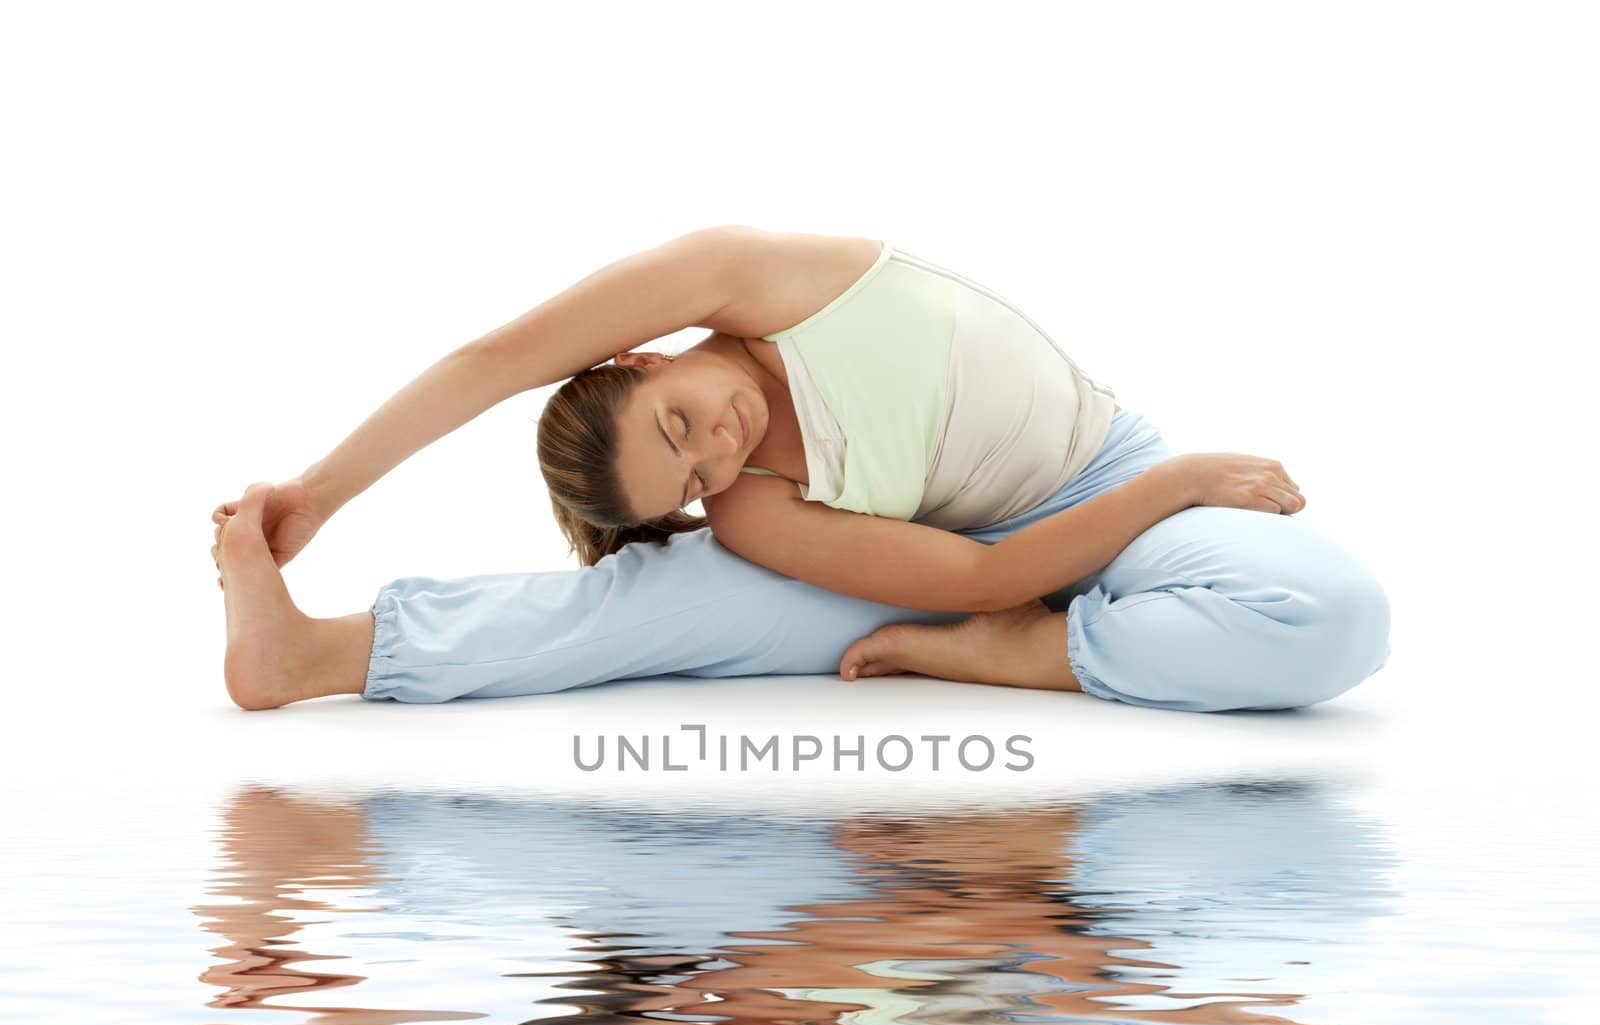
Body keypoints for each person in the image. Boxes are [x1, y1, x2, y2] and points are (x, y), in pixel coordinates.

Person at [212, 228, 1390, 711]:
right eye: (688, 483)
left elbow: (501, 357)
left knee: (1334, 620)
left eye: (679, 424)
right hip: (985, 561)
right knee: (670, 602)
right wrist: (1178, 485)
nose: (716, 451)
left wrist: (320, 490)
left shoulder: (751, 275)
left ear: (642, 355)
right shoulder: (755, 514)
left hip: (1104, 480)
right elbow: (984, 573)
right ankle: (314, 654)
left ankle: (1045, 652)